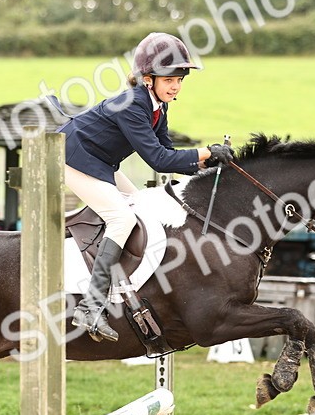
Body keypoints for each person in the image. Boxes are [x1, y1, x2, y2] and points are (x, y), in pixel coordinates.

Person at [57, 32, 233, 342]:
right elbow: (159, 159)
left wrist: (207, 164)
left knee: (139, 204)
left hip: (98, 162)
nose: (176, 85)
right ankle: (90, 306)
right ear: (148, 78)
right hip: (71, 158)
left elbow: (168, 151)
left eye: (180, 78)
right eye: (169, 78)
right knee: (122, 218)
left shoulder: (158, 106)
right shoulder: (133, 104)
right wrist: (204, 152)